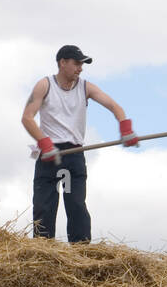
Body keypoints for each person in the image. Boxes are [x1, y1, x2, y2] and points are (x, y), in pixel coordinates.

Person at [21, 45, 138, 244]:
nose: (80, 68)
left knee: (75, 204)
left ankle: (82, 250)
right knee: (44, 206)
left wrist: (125, 128)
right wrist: (45, 143)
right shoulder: (45, 85)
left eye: (82, 64)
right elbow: (27, 118)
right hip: (49, 154)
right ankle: (42, 251)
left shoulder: (86, 87)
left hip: (74, 154)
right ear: (62, 63)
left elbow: (114, 106)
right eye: (76, 63)